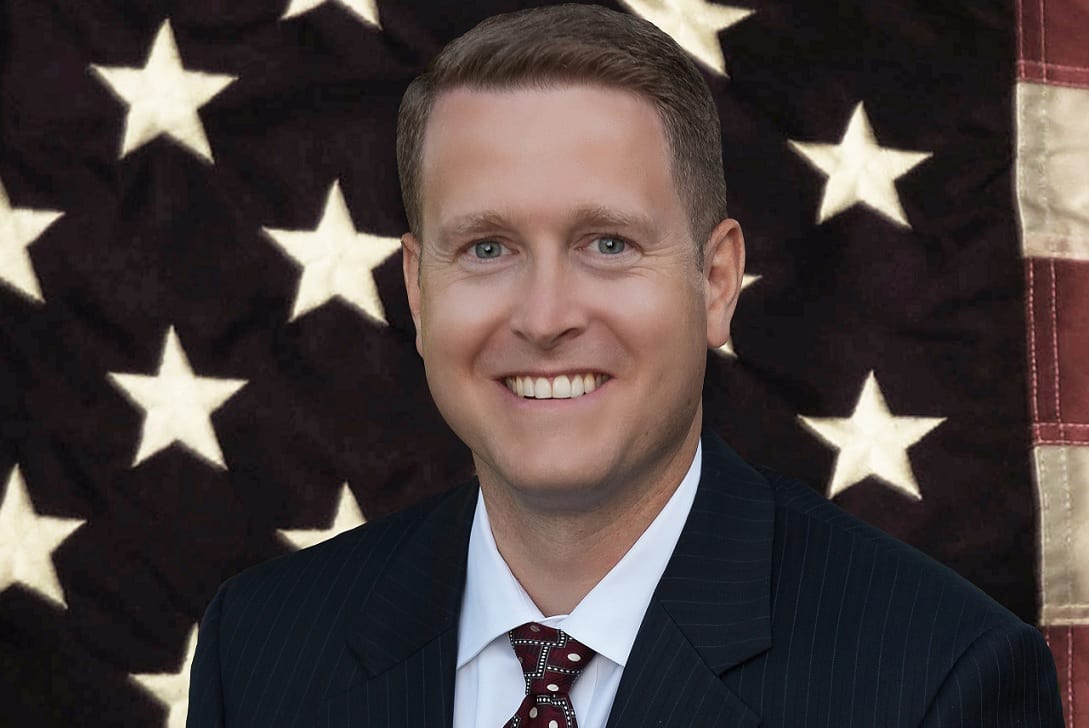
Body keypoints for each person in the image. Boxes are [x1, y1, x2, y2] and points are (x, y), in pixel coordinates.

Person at [186, 5, 1064, 726]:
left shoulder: (938, 678)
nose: (544, 317)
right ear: (418, 289)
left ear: (715, 282)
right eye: (487, 248)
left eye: (607, 243)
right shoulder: (261, 652)